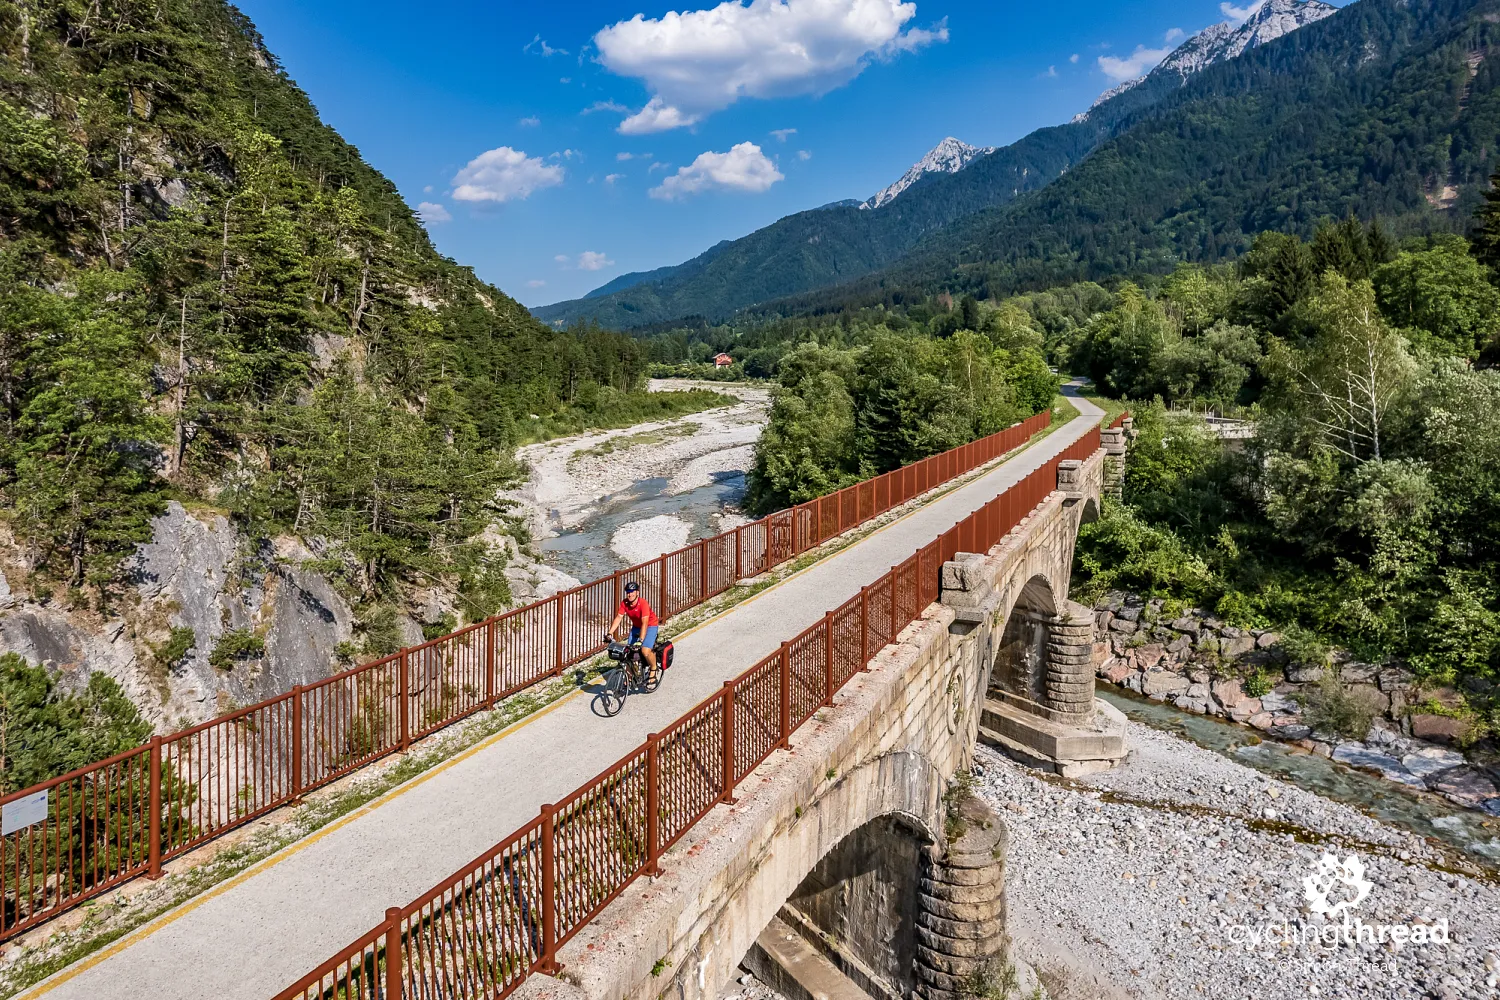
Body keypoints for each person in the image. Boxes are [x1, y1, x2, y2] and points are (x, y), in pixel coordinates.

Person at [608, 581, 660, 673]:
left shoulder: (643, 603)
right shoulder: (625, 603)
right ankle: (629, 678)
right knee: (628, 652)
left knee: (645, 651)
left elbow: (645, 623)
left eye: (632, 591)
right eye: (628, 592)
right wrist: (609, 633)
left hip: (650, 625)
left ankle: (653, 668)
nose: (630, 594)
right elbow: (619, 617)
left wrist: (641, 640)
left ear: (637, 593)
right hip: (636, 626)